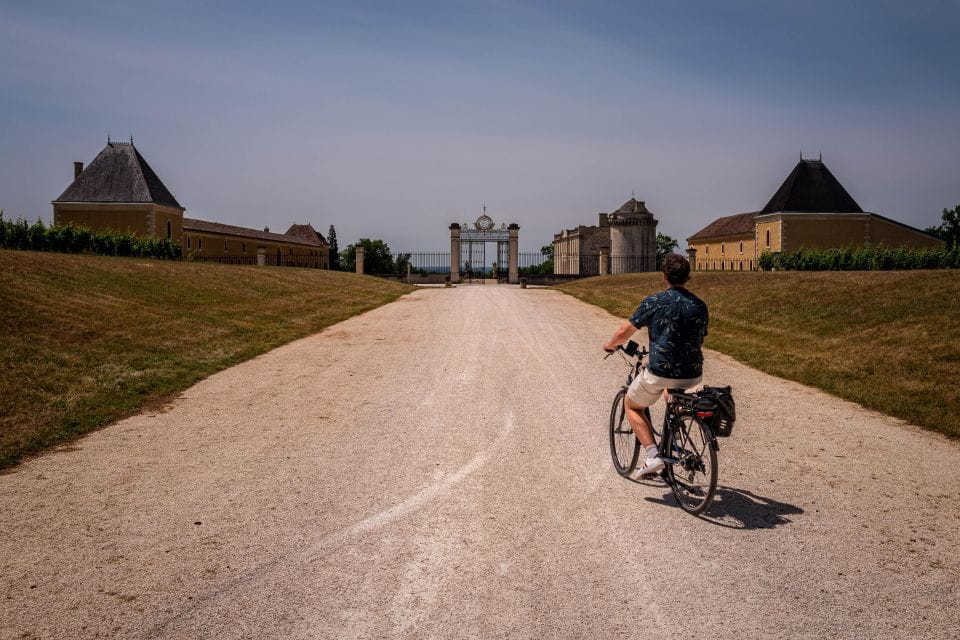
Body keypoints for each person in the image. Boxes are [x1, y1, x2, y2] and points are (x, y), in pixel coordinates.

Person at [603, 253, 709, 475]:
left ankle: (653, 456)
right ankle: (677, 435)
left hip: (661, 371)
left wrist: (611, 345)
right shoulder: (699, 305)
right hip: (692, 372)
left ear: (664, 276)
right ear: (688, 277)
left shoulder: (655, 301)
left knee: (632, 405)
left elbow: (626, 330)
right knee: (672, 392)